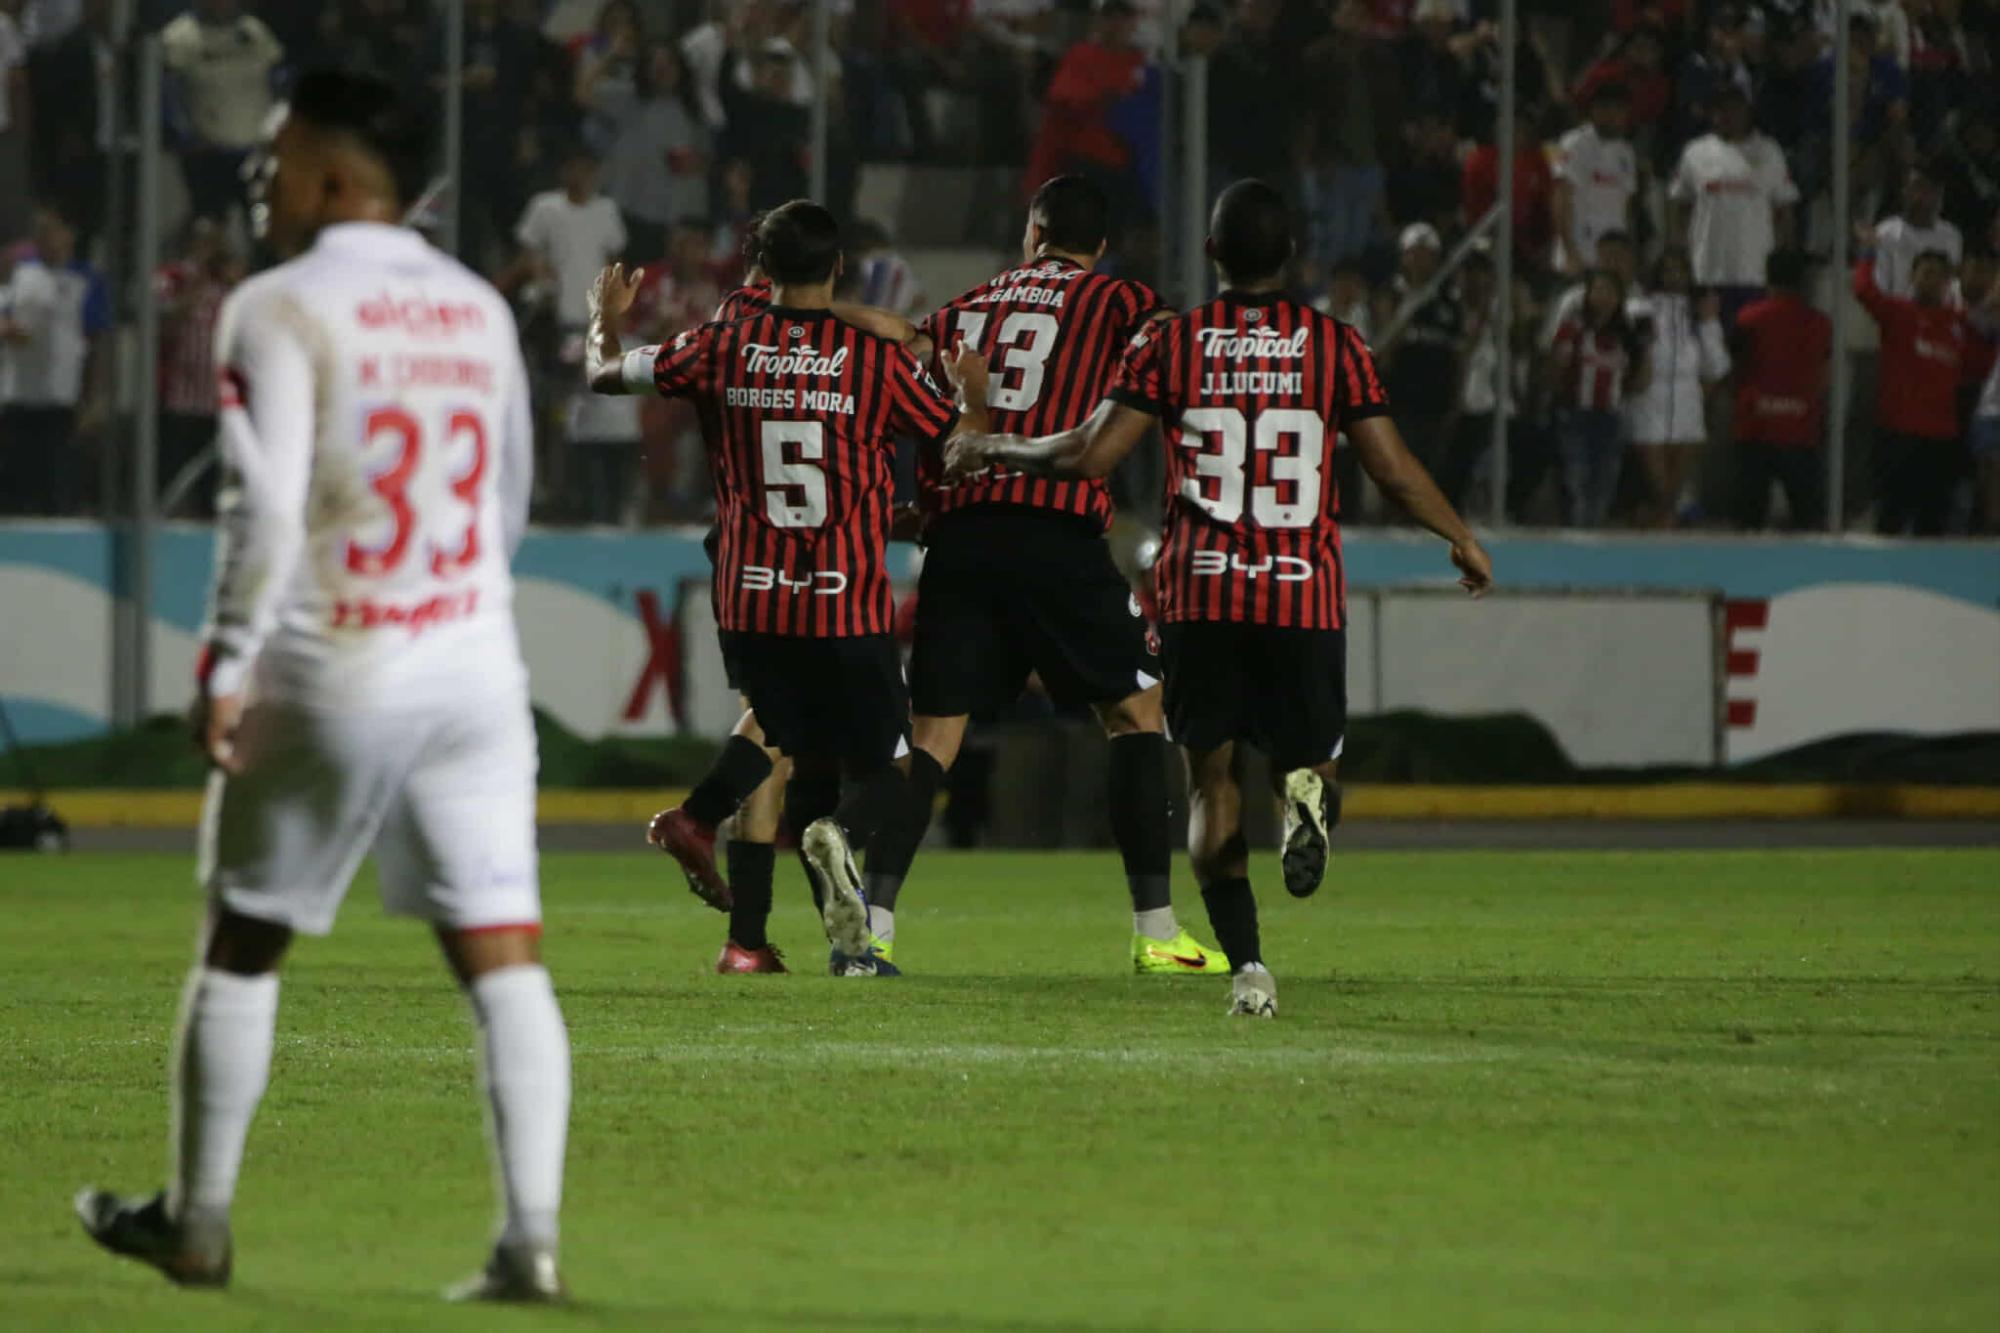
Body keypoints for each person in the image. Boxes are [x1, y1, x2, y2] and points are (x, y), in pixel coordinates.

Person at [73, 69, 569, 1303]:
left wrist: (226, 665)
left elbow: (271, 509)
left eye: (282, 154)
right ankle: (531, 1244)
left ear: (338, 178)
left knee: (242, 941)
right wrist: (452, 610)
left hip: (331, 660)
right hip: (471, 669)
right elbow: (507, 497)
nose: (263, 173)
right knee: (504, 956)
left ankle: (198, 1222)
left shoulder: (278, 304)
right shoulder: (473, 306)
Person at [944, 180, 1494, 1018]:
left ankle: (1249, 969)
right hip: (1302, 592)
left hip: (1201, 592)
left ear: (1211, 256)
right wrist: (1458, 533)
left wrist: (993, 446)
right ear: (1297, 257)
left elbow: (1090, 456)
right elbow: (1390, 470)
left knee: (1211, 785)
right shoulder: (1334, 345)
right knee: (1313, 764)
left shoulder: (1176, 343)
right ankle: (1307, 794)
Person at [585, 201, 992, 978]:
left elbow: (606, 374)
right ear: (840, 269)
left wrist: (604, 319)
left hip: (750, 593)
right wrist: (968, 392)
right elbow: (957, 439)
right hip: (842, 596)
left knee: (771, 729)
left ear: (760, 270)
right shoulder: (870, 359)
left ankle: (713, 856)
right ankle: (833, 853)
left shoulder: (720, 342)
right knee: (898, 768)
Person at [856, 175, 1227, 977]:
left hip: (958, 538)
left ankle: (873, 927)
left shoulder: (965, 306)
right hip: (1054, 530)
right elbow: (1181, 349)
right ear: (1097, 246)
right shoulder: (1120, 301)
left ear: (1032, 233)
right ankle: (1157, 929)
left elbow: (901, 355)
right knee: (1136, 713)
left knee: (934, 737)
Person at [1854, 227, 1974, 535]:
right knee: (1891, 514)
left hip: (1940, 438)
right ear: (1912, 277)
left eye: (1938, 275)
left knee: (1933, 520)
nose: (1931, 280)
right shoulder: (1897, 313)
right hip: (1898, 433)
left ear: (1949, 283)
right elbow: (1864, 291)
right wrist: (1867, 254)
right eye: (1925, 273)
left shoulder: (1959, 323)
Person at [0, 204, 106, 515]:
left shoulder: (86, 280)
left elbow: (96, 339)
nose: (45, 239)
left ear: (69, 234)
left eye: (52, 231)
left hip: (61, 396)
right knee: (17, 479)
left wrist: (95, 396)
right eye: (39, 232)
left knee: (57, 478)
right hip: (17, 394)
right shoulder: (21, 273)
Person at [1668, 85, 1799, 323]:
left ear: (1747, 111)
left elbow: (1784, 209)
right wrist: (1680, 253)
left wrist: (1781, 263)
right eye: (1720, 109)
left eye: (1734, 108)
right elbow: (1680, 205)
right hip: (1706, 270)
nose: (1727, 115)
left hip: (1755, 272)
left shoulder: (1769, 151)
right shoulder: (1695, 152)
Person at [1626, 249, 1730, 526]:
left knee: (1675, 483)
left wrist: (1709, 322)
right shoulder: (1640, 307)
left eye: (1680, 270)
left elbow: (1717, 366)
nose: (1674, 276)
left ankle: (1663, 524)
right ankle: (1661, 520)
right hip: (1650, 396)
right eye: (1668, 269)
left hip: (1687, 399)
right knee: (1657, 480)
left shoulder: (1698, 313)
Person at [1730, 247, 1832, 530]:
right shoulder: (1820, 324)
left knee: (1748, 521)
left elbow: (1736, 370)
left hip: (1756, 427)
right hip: (1800, 429)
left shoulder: (1748, 318)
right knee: (1809, 521)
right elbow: (1824, 378)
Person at [161, 0, 285, 225]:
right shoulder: (180, 35)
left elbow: (277, 80)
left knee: (261, 223)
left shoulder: (253, 31)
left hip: (253, 151)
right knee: (209, 226)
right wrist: (184, 136)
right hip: (207, 154)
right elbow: (168, 94)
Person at [1548, 268, 1650, 528]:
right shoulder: (1573, 327)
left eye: (1610, 291)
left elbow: (1640, 380)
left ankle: (1595, 530)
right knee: (1577, 478)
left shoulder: (1627, 333)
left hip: (1610, 416)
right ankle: (1578, 532)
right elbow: (1555, 367)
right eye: (1599, 290)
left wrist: (1645, 346)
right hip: (1576, 414)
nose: (1604, 297)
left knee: (1605, 481)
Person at [154, 217, 241, 518]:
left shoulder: (229, 284)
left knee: (211, 476)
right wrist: (197, 284)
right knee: (177, 469)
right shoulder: (174, 277)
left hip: (218, 398)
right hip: (180, 393)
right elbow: (164, 323)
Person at [1553, 82, 1638, 277]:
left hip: (1614, 257)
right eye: (1606, 108)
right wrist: (1570, 252)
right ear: (1594, 110)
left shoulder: (1626, 152)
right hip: (1580, 253)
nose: (1612, 115)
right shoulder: (1573, 143)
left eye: (1619, 109)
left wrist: (1630, 256)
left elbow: (1627, 208)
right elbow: (1561, 198)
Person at [1872, 162, 1963, 298]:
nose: (1923, 197)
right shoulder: (1885, 233)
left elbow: (1953, 288)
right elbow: (1880, 288)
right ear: (1905, 191)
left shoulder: (1952, 235)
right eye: (1918, 188)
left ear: (1940, 196)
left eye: (1931, 190)